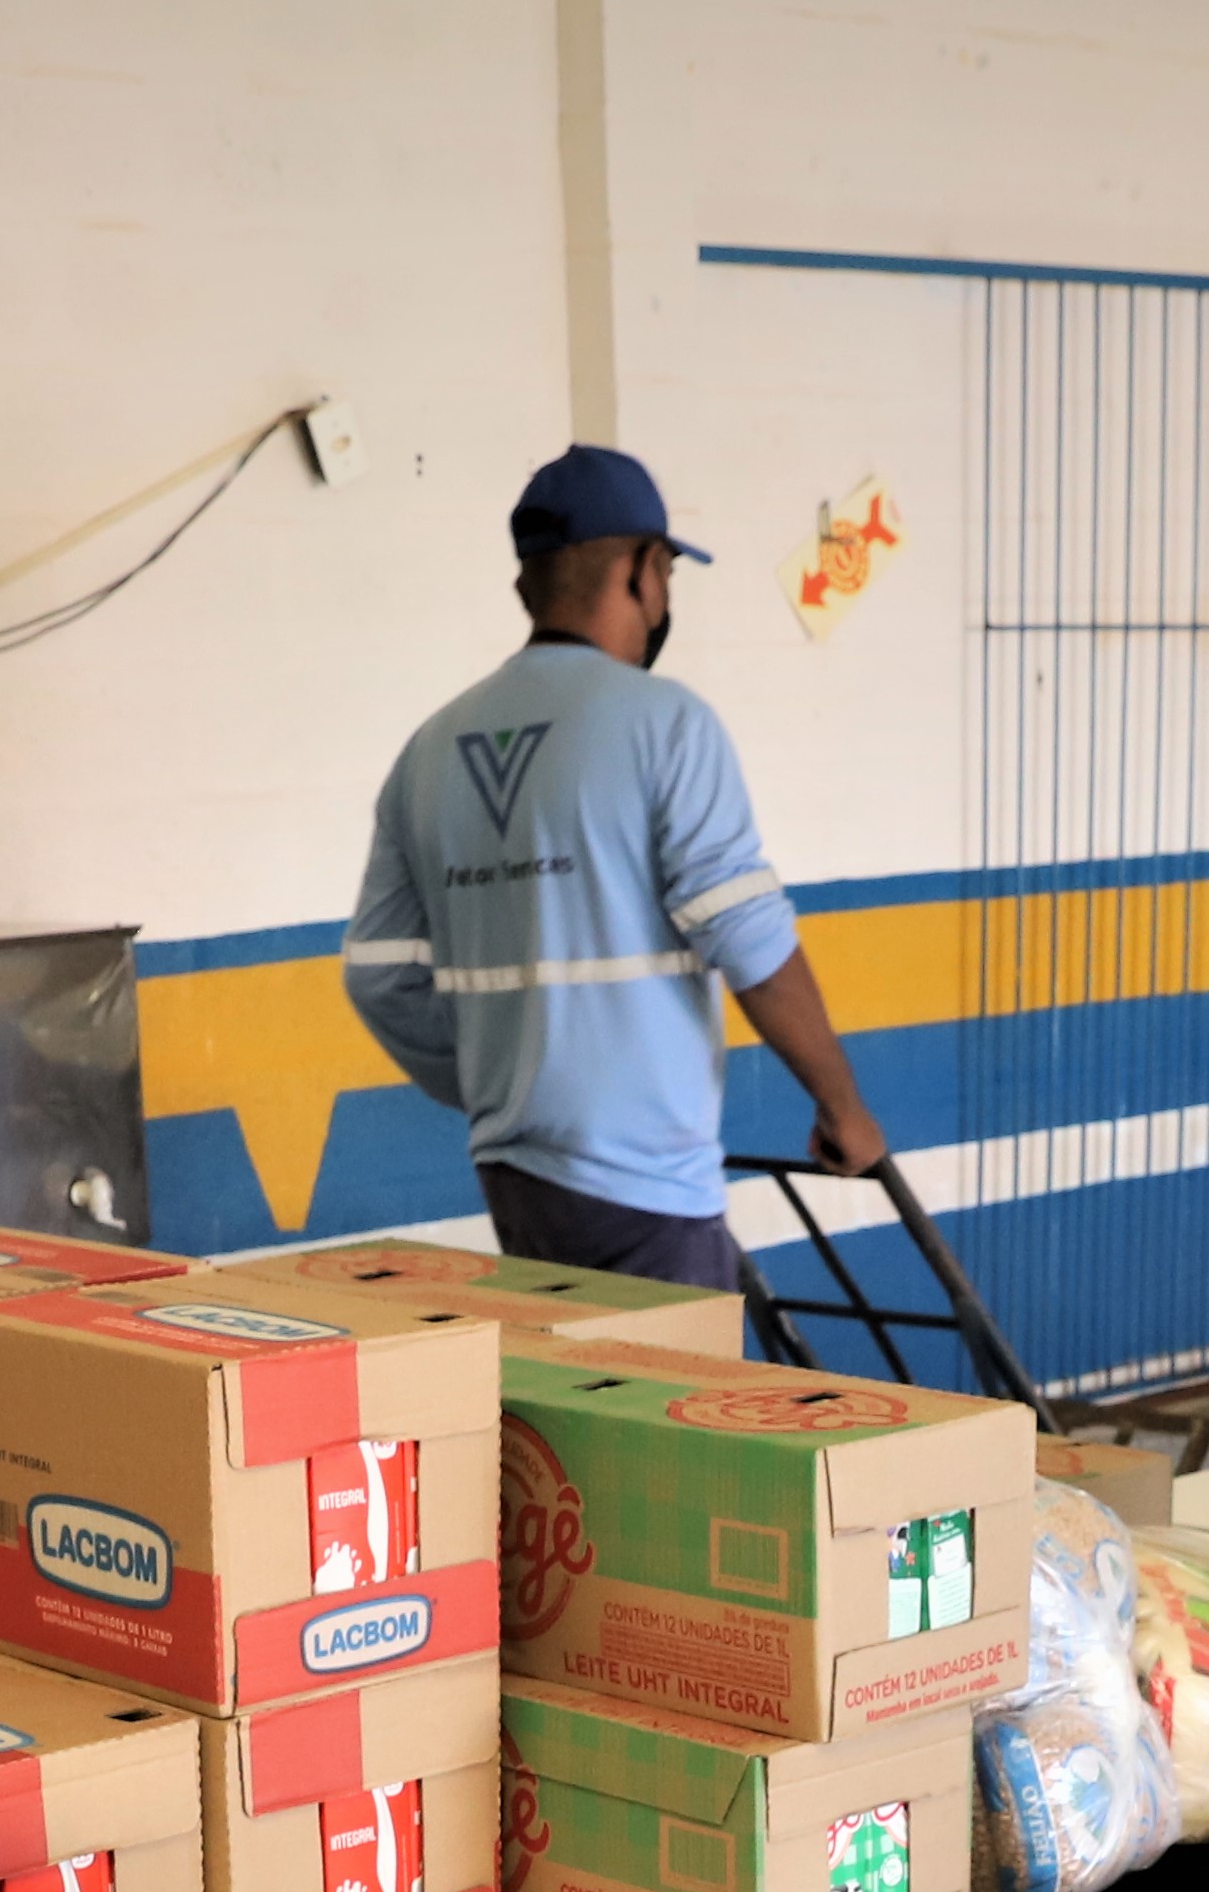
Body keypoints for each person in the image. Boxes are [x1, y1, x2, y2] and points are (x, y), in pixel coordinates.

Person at [342, 444, 894, 1289]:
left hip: (514, 1172)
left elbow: (379, 977)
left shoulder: (431, 748)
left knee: (568, 1403)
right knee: (681, 1408)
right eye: (667, 572)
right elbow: (746, 933)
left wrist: (507, 1079)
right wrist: (845, 1109)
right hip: (648, 1186)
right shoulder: (665, 723)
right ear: (641, 570)